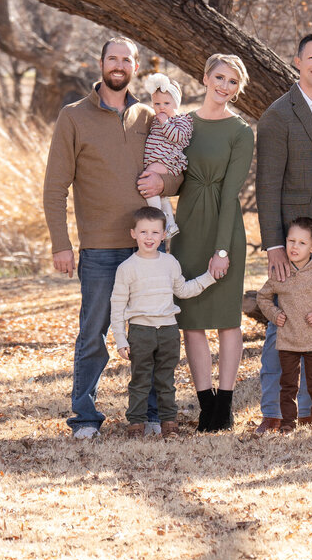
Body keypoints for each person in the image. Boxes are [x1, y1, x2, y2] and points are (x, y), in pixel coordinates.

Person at [43, 36, 181, 439]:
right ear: (101, 63)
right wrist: (61, 243)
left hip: (148, 245)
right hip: (100, 247)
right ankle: (85, 417)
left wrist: (164, 179)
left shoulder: (148, 115)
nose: (119, 65)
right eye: (112, 58)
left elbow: (174, 170)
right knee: (93, 332)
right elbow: (55, 187)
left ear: (135, 67)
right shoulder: (73, 116)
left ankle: (152, 414)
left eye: (127, 59)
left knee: (153, 330)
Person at [255, 33, 312, 434]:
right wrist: (275, 245)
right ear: (297, 61)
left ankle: (309, 410)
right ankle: (274, 411)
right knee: (283, 325)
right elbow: (267, 185)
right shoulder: (279, 114)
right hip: (294, 246)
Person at [170, 53, 255, 432]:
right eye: (219, 78)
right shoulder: (183, 124)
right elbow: (169, 171)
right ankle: (206, 407)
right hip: (187, 227)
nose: (224, 87)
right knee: (192, 321)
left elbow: (231, 192)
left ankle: (225, 405)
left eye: (232, 82)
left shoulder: (241, 131)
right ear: (205, 78)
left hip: (225, 226)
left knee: (226, 320)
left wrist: (222, 250)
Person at [109, 207, 217, 438]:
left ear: (163, 234)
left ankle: (169, 423)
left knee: (166, 381)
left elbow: (183, 290)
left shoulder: (170, 262)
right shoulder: (127, 268)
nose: (149, 237)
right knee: (139, 381)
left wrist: (209, 277)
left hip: (168, 330)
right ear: (133, 234)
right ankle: (136, 425)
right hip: (140, 331)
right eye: (144, 232)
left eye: (155, 232)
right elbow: (117, 306)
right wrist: (120, 339)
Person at [255, 217, 312, 433]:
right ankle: (287, 423)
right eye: (291, 241)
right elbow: (263, 297)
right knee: (287, 386)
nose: (294, 247)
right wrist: (274, 313)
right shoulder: (281, 274)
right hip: (288, 340)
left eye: (302, 243)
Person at [138, 74, 192, 239]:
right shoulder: (155, 120)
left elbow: (178, 137)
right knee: (162, 196)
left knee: (148, 181)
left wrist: (165, 123)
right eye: (157, 104)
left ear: (176, 103)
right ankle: (170, 225)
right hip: (156, 159)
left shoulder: (182, 120)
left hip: (167, 160)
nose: (161, 107)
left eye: (167, 103)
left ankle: (156, 218)